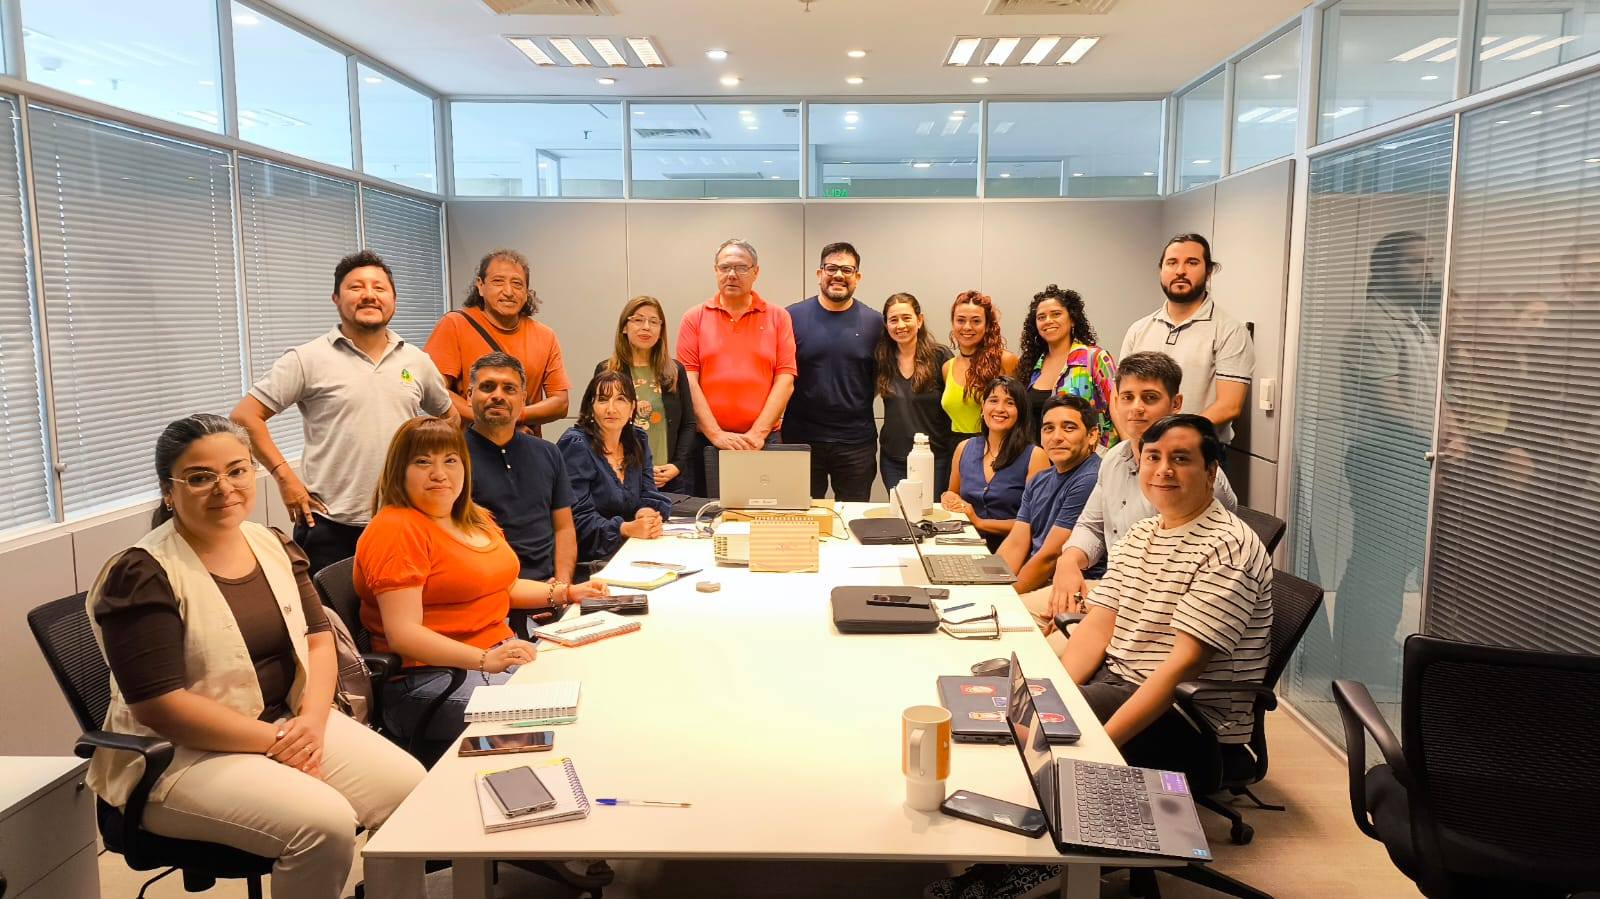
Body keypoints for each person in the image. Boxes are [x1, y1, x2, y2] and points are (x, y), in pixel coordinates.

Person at [86, 414, 425, 899]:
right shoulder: (143, 574)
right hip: (180, 757)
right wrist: (278, 741)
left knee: (409, 787)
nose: (224, 488)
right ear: (168, 491)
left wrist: (312, 721)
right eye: (200, 477)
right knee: (323, 824)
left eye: (237, 470)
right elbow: (160, 707)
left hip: (287, 722)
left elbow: (318, 638)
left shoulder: (271, 543)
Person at [355, 417, 607, 760]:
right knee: (558, 720)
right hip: (432, 679)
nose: (439, 474)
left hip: (497, 655)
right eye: (423, 462)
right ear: (400, 470)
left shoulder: (473, 517)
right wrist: (484, 659)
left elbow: (505, 587)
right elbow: (404, 634)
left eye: (450, 460)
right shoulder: (397, 529)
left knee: (591, 685)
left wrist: (566, 592)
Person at [1061, 413, 1272, 773]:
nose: (1163, 470)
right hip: (1120, 683)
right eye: (1153, 457)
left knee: (1033, 727)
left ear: (1211, 472)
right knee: (1017, 701)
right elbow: (1098, 627)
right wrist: (1055, 692)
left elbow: (1183, 665)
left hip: (1187, 719)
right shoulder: (1142, 532)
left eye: (1181, 458)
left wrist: (1101, 747)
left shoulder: (1228, 547)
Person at [231, 250, 454, 577]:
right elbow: (245, 416)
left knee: (404, 606)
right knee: (331, 610)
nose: (369, 295)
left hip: (405, 519)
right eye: (356, 287)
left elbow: (449, 419)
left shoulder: (416, 361)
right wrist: (285, 478)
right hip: (329, 525)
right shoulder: (307, 358)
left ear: (393, 300)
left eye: (379, 288)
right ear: (336, 298)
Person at [1048, 352, 1238, 615]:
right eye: (1128, 397)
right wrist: (1069, 560)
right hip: (1113, 590)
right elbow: (1091, 526)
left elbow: (1188, 573)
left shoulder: (1194, 475)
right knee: (1018, 615)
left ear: (1175, 404)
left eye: (1149, 398)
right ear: (1116, 402)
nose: (1136, 408)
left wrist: (1092, 611)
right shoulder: (1114, 458)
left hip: (1160, 606)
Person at [1335, 230, 1441, 691]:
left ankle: (1373, 651)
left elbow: (1431, 394)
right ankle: (1361, 658)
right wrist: (1443, 436)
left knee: (1393, 563)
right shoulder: (1373, 324)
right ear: (1385, 270)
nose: (1427, 272)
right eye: (1415, 263)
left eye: (1429, 262)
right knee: (1378, 563)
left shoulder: (1414, 323)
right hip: (1384, 457)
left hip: (1412, 456)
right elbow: (1389, 400)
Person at [677, 238, 798, 492]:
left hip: (763, 440)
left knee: (764, 510)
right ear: (715, 270)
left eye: (741, 267)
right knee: (708, 512)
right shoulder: (694, 318)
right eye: (725, 267)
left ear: (756, 272)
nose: (732, 274)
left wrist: (757, 434)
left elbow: (785, 381)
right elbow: (688, 381)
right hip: (706, 440)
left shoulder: (778, 317)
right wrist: (716, 434)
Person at [1121, 234, 1254, 444]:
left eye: (1192, 262)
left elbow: (1229, 405)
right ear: (1161, 270)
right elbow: (1119, 395)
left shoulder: (1230, 331)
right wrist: (1133, 444)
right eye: (1172, 262)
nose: (1180, 271)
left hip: (1198, 450)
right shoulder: (1138, 329)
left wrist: (1173, 439)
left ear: (1208, 271)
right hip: (1142, 448)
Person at [424, 248, 570, 435]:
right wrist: (493, 421)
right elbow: (434, 391)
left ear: (526, 292)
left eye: (517, 284)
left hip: (523, 445)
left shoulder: (545, 335)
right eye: (498, 281)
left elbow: (560, 403)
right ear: (480, 285)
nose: (508, 292)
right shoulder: (454, 325)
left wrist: (515, 417)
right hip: (467, 446)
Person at [464, 352, 577, 585]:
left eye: (509, 388)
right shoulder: (451, 459)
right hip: (488, 591)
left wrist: (562, 586)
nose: (498, 395)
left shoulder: (549, 453)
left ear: (523, 399)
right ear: (469, 395)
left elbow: (564, 528)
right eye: (487, 387)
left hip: (550, 588)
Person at [784, 242, 883, 501]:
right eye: (831, 268)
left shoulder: (875, 323)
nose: (838, 275)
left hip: (856, 442)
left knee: (853, 516)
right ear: (819, 274)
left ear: (857, 277)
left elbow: (880, 377)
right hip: (801, 440)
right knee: (800, 515)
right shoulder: (790, 317)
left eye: (847, 270)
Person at [557, 371, 675, 564]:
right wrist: (626, 528)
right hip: (590, 557)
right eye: (603, 400)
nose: (611, 409)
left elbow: (649, 492)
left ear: (632, 408)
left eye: (620, 399)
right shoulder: (576, 445)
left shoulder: (638, 440)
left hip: (632, 547)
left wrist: (645, 513)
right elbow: (575, 519)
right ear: (591, 407)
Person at [998, 394, 1102, 607]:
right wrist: (989, 585)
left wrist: (1003, 599)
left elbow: (1050, 557)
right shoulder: (1040, 479)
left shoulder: (1091, 477)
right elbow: (1016, 543)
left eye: (1069, 428)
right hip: (1039, 581)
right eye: (1048, 429)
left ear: (1092, 435)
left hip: (1076, 587)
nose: (1056, 437)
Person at [596, 295, 697, 494]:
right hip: (624, 476)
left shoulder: (675, 370)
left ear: (661, 329)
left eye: (653, 321)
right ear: (624, 327)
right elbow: (600, 425)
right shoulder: (607, 370)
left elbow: (688, 424)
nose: (646, 327)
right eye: (638, 320)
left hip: (669, 477)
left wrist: (677, 465)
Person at [941, 376, 1049, 552]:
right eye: (993, 400)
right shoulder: (964, 448)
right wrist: (948, 498)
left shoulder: (1035, 456)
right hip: (964, 546)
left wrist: (979, 522)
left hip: (1011, 552)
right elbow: (953, 493)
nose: (1000, 409)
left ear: (1020, 412)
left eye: (1009, 403)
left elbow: (1035, 522)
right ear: (983, 407)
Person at [875, 292, 956, 496]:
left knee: (929, 512)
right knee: (900, 511)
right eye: (893, 320)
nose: (900, 325)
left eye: (906, 318)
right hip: (893, 459)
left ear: (919, 320)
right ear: (886, 325)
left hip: (935, 458)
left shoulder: (940, 356)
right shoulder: (881, 359)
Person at [1016, 284, 1117, 447]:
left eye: (1056, 314)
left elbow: (1117, 410)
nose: (1048, 321)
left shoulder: (1095, 358)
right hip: (1038, 459)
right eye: (1041, 317)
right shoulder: (1031, 365)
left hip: (1086, 458)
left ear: (1072, 319)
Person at [941, 290, 1019, 446]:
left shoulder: (1005, 361)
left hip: (997, 447)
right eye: (960, 320)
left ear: (987, 325)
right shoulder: (947, 367)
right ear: (952, 323)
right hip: (956, 449)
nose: (967, 327)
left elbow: (1020, 412)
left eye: (976, 321)